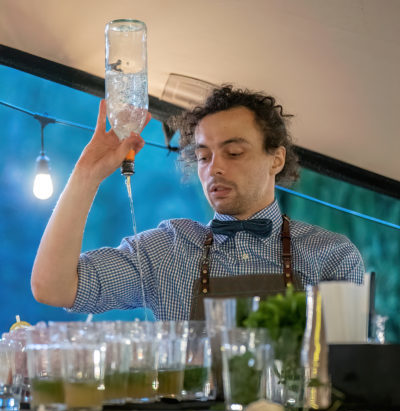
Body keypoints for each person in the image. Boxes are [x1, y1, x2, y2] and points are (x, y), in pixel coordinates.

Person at [31, 85, 364, 320]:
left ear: (276, 160)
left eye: (234, 153)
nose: (215, 167)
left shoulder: (331, 255)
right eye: (203, 156)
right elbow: (52, 287)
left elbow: (344, 378)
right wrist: (86, 174)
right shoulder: (167, 248)